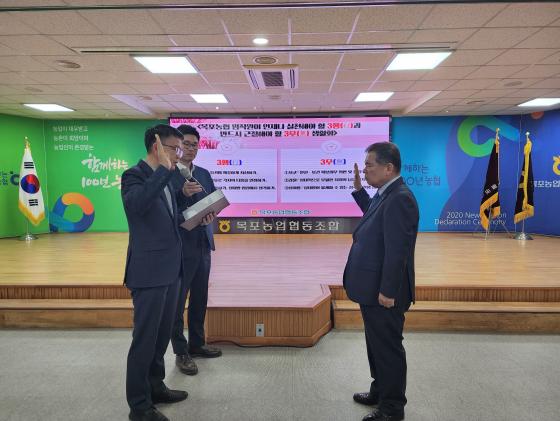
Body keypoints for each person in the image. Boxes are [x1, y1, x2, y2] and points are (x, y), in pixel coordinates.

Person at [343, 142, 419, 421]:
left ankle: (392, 408)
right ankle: (380, 390)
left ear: (388, 168)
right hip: (371, 288)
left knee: (388, 349)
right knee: (376, 345)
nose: (365, 170)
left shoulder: (400, 198)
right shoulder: (386, 193)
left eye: (369, 165)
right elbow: (373, 216)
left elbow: (397, 251)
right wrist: (359, 191)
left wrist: (388, 291)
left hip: (385, 293)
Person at [121, 124, 188, 421]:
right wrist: (163, 170)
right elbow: (137, 206)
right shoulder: (134, 176)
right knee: (145, 341)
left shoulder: (168, 176)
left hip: (171, 269)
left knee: (161, 338)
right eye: (175, 148)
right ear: (156, 146)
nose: (179, 154)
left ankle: (155, 387)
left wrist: (195, 216)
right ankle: (139, 406)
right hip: (148, 273)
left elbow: (167, 217)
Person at [170, 124, 222, 377]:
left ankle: (197, 343)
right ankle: (181, 352)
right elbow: (167, 211)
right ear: (177, 147)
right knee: (178, 302)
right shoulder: (167, 175)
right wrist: (181, 193)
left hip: (203, 243)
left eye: (194, 145)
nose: (190, 149)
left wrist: (211, 214)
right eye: (186, 144)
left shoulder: (203, 173)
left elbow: (210, 201)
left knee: (200, 297)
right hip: (181, 246)